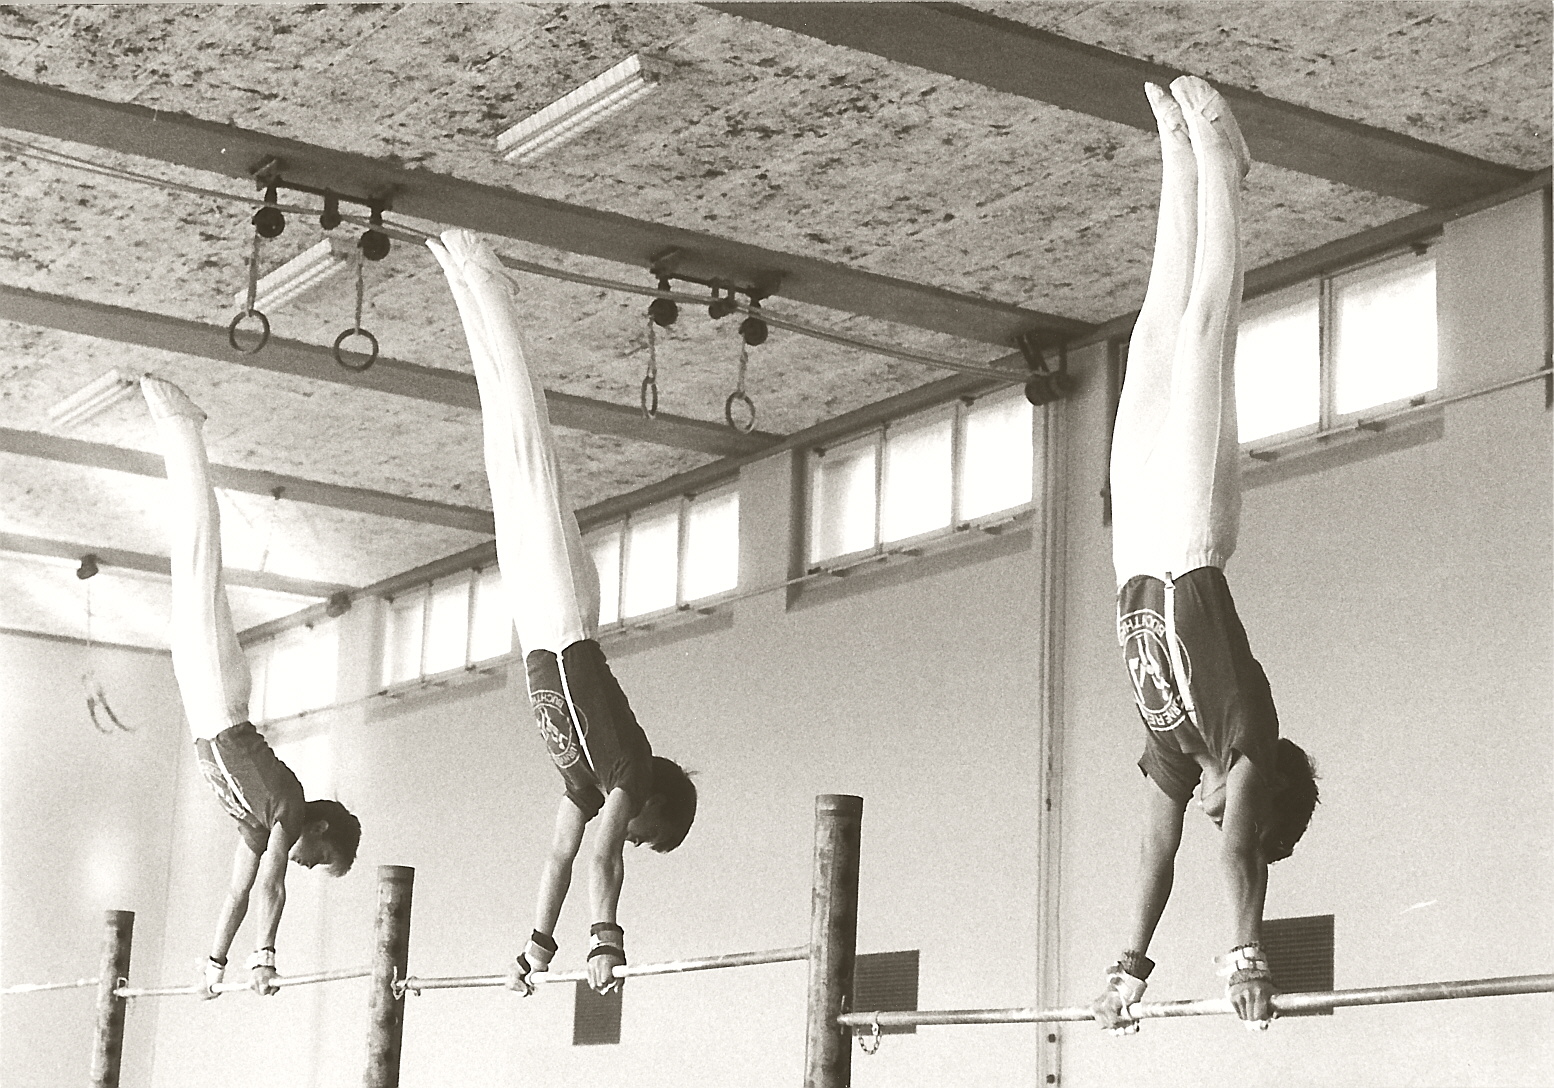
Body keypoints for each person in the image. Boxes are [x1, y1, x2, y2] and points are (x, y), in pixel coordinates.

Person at [1093, 76, 1319, 1034]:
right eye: (1234, 812)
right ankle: (1225, 162)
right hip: (1188, 538)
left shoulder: (1177, 752)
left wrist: (1128, 969)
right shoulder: (1245, 731)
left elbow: (1158, 854)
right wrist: (1245, 956)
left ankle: (1178, 157)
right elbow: (1233, 859)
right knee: (1201, 330)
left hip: (1131, 556)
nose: (1214, 813)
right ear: (1260, 802)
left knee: (1151, 331)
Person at [428, 230, 697, 997]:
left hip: (534, 632)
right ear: (653, 806)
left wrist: (535, 949)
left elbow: (560, 858)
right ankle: (489, 279)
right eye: (651, 837)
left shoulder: (584, 790)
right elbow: (602, 859)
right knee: (524, 440)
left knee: (498, 446)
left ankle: (461, 281)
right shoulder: (627, 770)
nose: (634, 842)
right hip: (566, 619)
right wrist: (607, 942)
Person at [142, 376, 361, 999]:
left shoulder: (259, 831)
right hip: (220, 698)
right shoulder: (287, 806)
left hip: (201, 709)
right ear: (321, 831)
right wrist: (264, 957)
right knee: (198, 554)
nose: (306, 864)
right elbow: (271, 887)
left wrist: (214, 963)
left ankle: (179, 431)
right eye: (321, 860)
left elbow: (239, 889)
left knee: (189, 561)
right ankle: (182, 426)